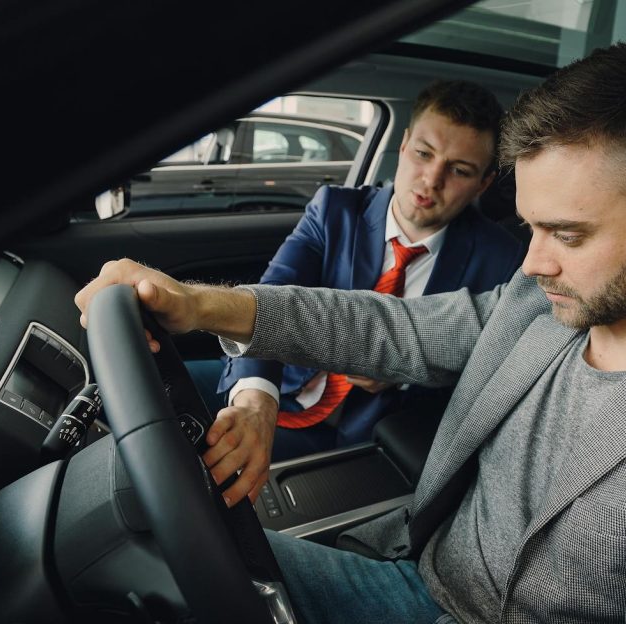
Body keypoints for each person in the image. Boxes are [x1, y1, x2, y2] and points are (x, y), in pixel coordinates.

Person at [75, 43, 626, 623]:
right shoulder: (545, 299)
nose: (532, 263)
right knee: (124, 536)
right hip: (413, 581)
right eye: (527, 225)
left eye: (566, 234)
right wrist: (199, 304)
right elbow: (393, 327)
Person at [216, 80, 523, 460]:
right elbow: (270, 295)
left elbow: (487, 383)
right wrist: (255, 400)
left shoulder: (503, 261)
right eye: (424, 154)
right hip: (282, 393)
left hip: (378, 444)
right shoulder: (334, 211)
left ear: (483, 184)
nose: (432, 179)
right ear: (405, 143)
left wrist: (405, 374)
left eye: (459, 170)